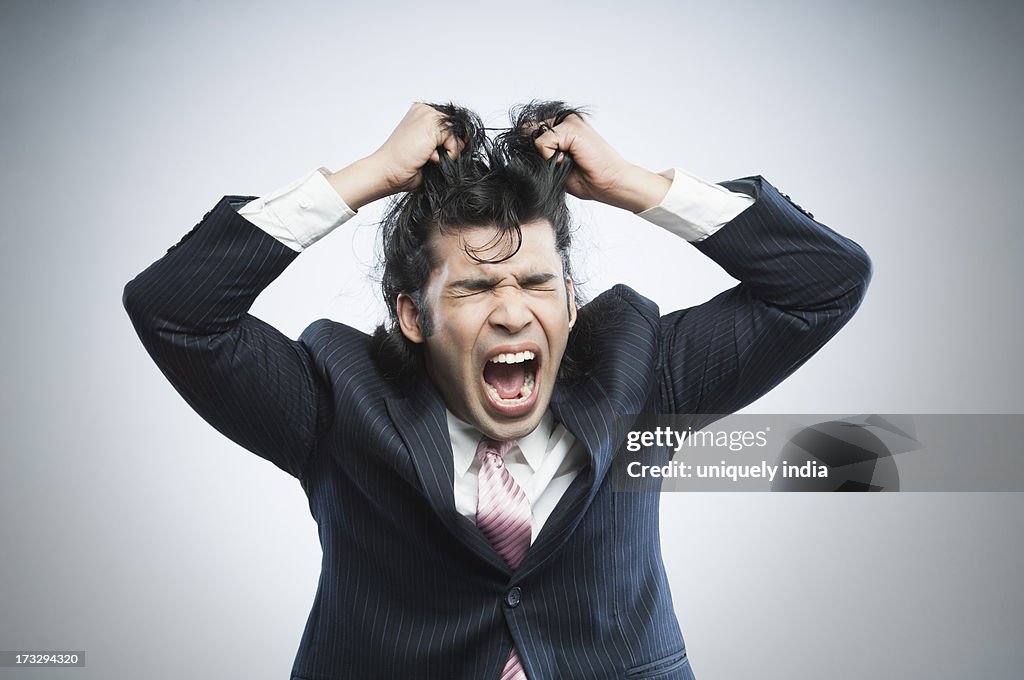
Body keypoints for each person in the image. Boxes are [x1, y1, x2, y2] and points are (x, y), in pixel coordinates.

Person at [123, 101, 872, 679]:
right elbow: (176, 309)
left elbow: (822, 284)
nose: (514, 311)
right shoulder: (332, 400)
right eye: (478, 287)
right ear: (413, 315)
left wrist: (631, 185)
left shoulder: (641, 372)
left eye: (538, 283)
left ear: (571, 303)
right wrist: (371, 175)